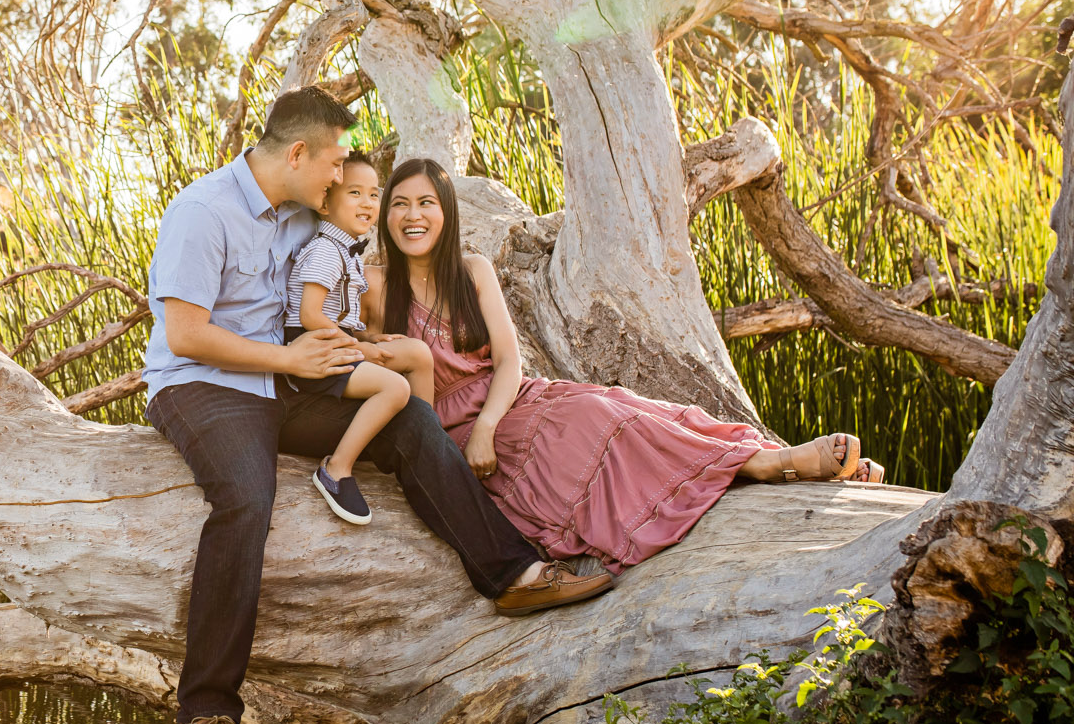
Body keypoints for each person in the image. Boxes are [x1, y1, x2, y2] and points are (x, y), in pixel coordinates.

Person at [142, 90, 616, 724]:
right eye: (334, 163)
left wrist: (369, 345)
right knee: (248, 494)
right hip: (205, 385)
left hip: (291, 379)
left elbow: (340, 276)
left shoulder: (304, 212)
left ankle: (513, 572)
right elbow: (185, 332)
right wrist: (288, 358)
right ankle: (205, 707)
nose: (340, 179)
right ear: (299, 153)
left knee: (410, 417)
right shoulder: (202, 211)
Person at [365, 157, 885, 577]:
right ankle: (767, 467)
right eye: (401, 204)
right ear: (385, 215)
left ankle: (767, 461)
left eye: (427, 203)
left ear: (447, 212)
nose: (414, 215)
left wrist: (487, 425)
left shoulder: (471, 269)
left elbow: (507, 361)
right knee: (597, 425)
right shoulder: (373, 286)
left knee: (619, 407)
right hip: (445, 429)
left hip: (508, 402)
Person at [281, 152, 433, 526]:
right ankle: (336, 469)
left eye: (373, 194)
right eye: (354, 193)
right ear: (326, 203)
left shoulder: (345, 249)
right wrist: (357, 347)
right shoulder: (325, 251)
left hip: (337, 337)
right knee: (394, 388)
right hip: (314, 348)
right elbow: (310, 315)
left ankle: (429, 447)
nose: (367, 203)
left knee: (417, 353)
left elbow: (336, 313)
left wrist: (369, 336)